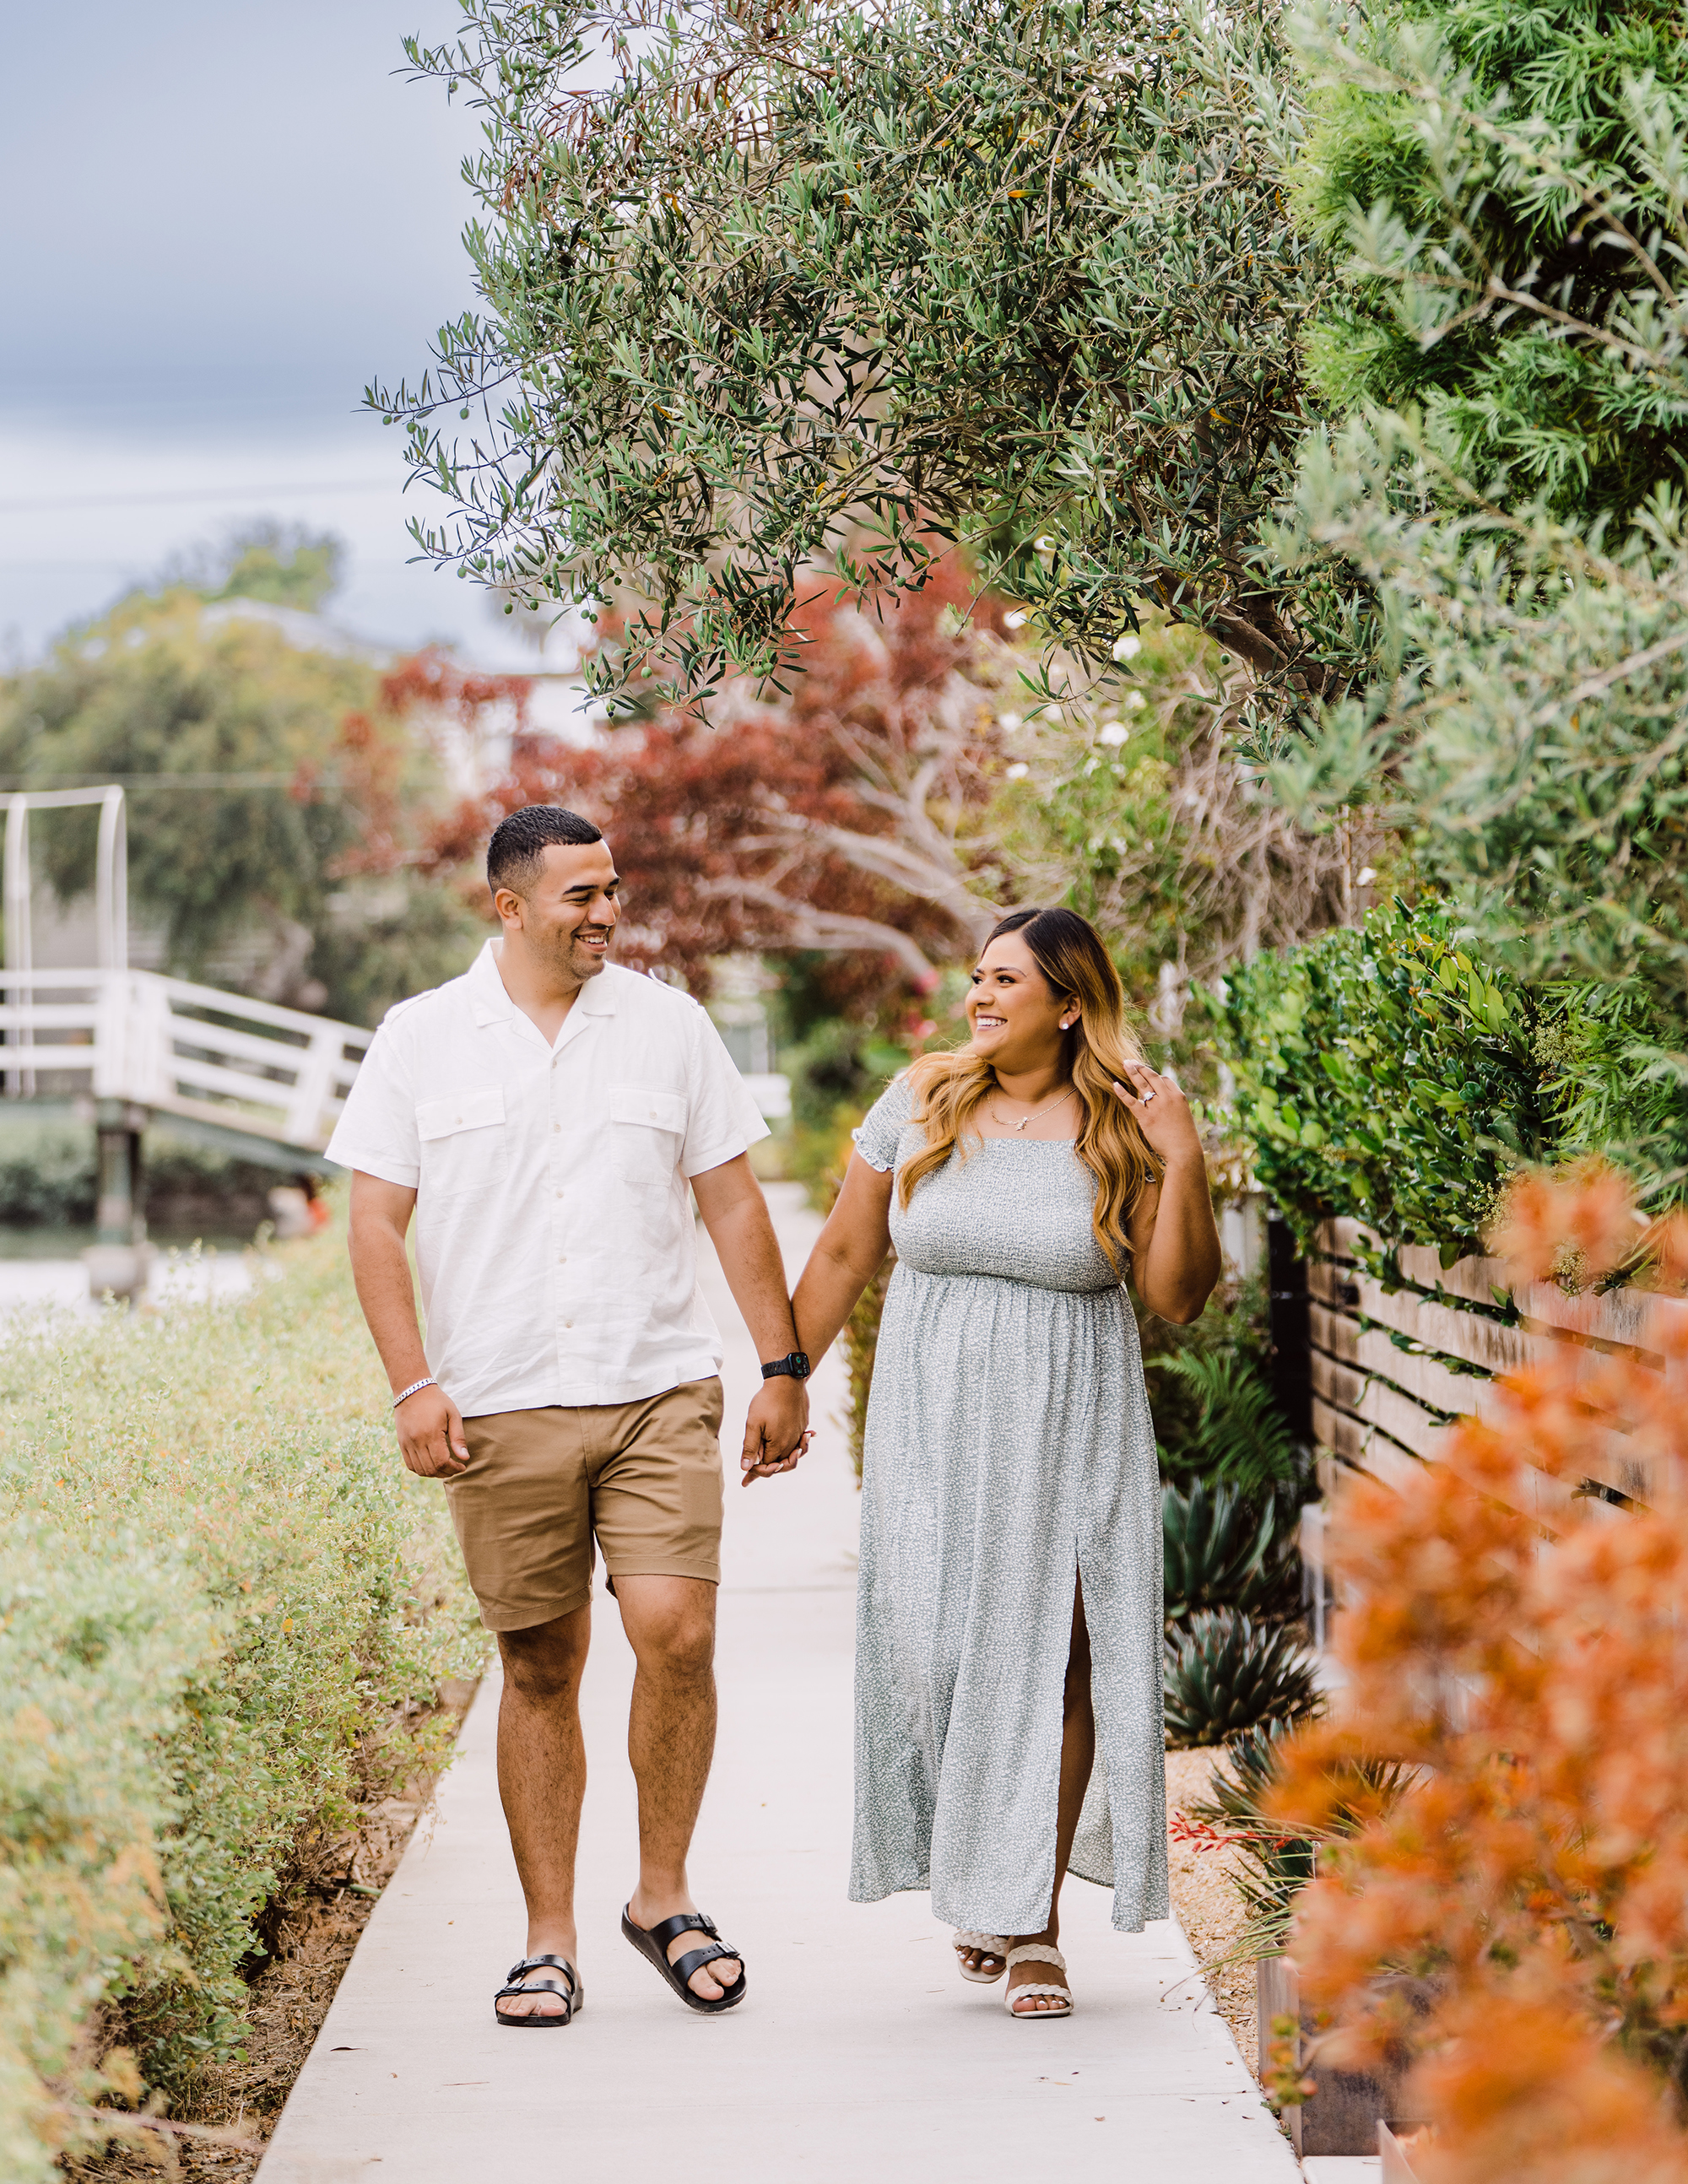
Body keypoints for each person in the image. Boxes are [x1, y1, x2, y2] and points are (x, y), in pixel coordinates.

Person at [327, 804, 814, 2028]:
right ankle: (549, 1938)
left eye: (613, 890)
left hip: (654, 1384)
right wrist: (413, 1382)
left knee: (679, 1634)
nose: (609, 913)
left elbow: (734, 1206)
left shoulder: (670, 1029)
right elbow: (375, 1222)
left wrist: (783, 1362)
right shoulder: (421, 1039)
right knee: (539, 1665)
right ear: (509, 907)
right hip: (498, 1401)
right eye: (582, 896)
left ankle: (663, 1896)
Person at [787, 905, 1220, 2019]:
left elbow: (1175, 1296)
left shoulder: (1122, 1123)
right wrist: (783, 1372)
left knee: (1059, 1654)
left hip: (1071, 1418)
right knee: (934, 1648)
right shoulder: (924, 1097)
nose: (979, 998)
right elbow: (844, 1247)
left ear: (1068, 1006)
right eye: (976, 979)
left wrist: (1186, 1160)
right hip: (933, 1412)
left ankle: (1029, 1922)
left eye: (1005, 983)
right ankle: (977, 1868)